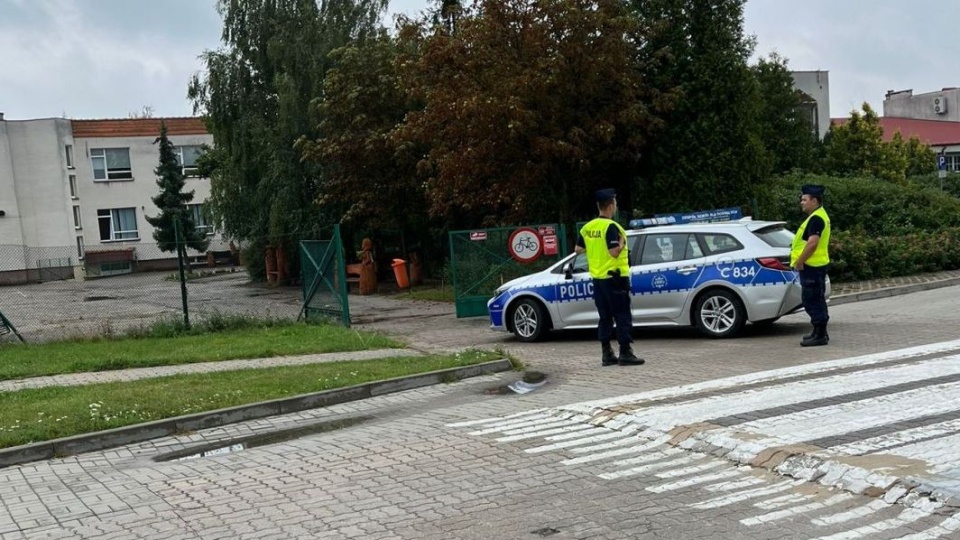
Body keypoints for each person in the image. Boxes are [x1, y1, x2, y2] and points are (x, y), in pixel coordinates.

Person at [575, 188, 645, 366]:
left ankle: (607, 354)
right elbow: (614, 252)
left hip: (598, 279)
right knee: (622, 315)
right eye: (615, 203)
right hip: (615, 279)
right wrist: (621, 242)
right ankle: (625, 353)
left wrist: (595, 249)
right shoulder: (611, 227)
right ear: (611, 205)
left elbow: (578, 250)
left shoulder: (588, 227)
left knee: (604, 317)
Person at [791, 184, 831, 347]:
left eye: (805, 199)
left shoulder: (816, 219)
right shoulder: (818, 216)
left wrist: (800, 261)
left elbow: (812, 243)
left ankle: (820, 335)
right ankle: (819, 333)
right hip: (815, 266)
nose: (802, 202)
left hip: (811, 266)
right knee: (815, 299)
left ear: (814, 200)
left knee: (812, 300)